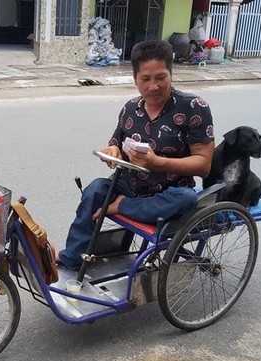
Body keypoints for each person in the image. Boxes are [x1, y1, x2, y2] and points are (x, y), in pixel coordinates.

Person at [57, 40, 216, 270]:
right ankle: (72, 257)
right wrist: (110, 151)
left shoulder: (193, 107)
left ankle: (121, 206)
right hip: (129, 185)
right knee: (94, 191)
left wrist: (157, 163)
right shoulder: (131, 108)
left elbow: (203, 165)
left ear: (171, 74)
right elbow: (116, 143)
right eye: (145, 79)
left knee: (187, 198)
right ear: (135, 79)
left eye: (161, 77)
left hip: (168, 193)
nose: (153, 86)